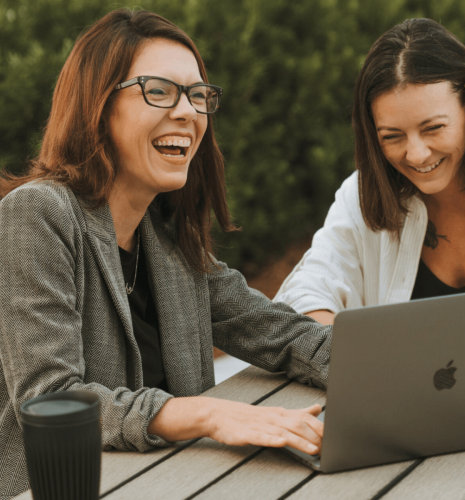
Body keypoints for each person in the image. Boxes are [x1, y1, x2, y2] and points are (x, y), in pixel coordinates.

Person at [0, 9, 330, 499]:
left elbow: (282, 335)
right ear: (98, 104)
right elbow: (52, 400)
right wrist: (210, 413)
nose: (188, 111)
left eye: (198, 95)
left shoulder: (170, 239)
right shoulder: (38, 214)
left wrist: (395, 370)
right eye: (159, 90)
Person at [275, 18, 465, 325]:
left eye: (433, 127)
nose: (417, 154)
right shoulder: (362, 195)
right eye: (392, 136)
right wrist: (350, 357)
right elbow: (305, 293)